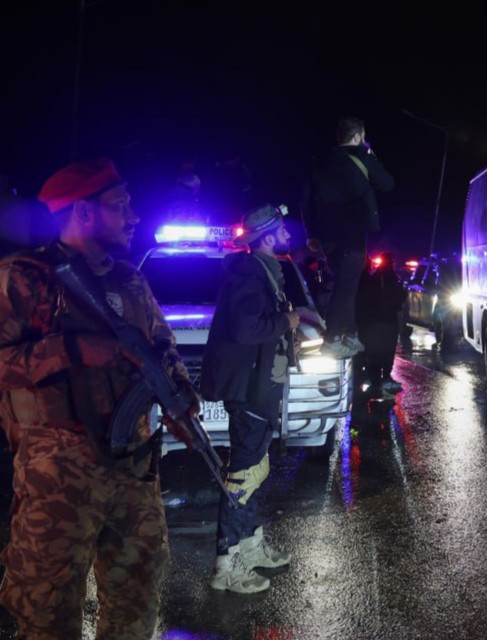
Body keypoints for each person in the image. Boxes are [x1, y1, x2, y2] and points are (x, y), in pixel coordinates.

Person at [0, 158, 193, 638]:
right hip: (57, 474)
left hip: (133, 468)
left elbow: (163, 348)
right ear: (82, 213)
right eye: (120, 204)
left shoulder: (129, 280)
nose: (133, 216)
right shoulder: (24, 278)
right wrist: (66, 350)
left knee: (137, 599)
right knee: (47, 611)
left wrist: (181, 398)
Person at [200, 204, 298, 593]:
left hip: (261, 387)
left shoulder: (263, 270)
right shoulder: (247, 271)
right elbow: (245, 329)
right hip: (249, 390)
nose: (290, 235)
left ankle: (251, 545)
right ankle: (226, 564)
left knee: (254, 468)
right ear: (268, 238)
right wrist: (286, 322)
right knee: (242, 474)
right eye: (283, 230)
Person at [302, 116, 395, 358]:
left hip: (327, 237)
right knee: (346, 288)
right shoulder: (361, 157)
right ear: (357, 137)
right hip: (352, 233)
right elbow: (387, 184)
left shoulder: (319, 162)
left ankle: (350, 334)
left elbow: (305, 200)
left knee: (345, 285)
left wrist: (311, 233)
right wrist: (371, 155)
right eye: (362, 137)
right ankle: (333, 338)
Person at [355, 251, 407, 400]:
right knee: (386, 350)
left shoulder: (373, 278)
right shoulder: (390, 278)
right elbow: (399, 297)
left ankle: (376, 379)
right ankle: (381, 378)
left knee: (376, 350)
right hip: (387, 320)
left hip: (374, 321)